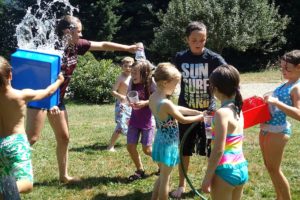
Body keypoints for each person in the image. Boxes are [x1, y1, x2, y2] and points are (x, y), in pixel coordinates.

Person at [25, 15, 139, 183]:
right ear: (67, 31)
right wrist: (49, 102)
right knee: (32, 138)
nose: (81, 34)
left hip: (58, 99)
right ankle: (8, 169)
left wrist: (127, 48)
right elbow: (38, 76)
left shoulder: (77, 45)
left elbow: (103, 45)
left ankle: (64, 176)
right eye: (78, 31)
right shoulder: (50, 48)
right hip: (42, 98)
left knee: (64, 138)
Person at [171, 21, 227, 198]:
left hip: (209, 113)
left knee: (212, 148)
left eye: (202, 39)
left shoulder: (214, 59)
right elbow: (168, 79)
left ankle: (209, 181)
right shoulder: (180, 58)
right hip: (186, 112)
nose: (198, 43)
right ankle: (181, 185)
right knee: (184, 149)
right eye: (194, 39)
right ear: (187, 39)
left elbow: (229, 75)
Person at [0, 56, 64, 197]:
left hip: (0, 144)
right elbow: (47, 92)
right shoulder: (20, 95)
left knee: (5, 180)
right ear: (10, 74)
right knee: (26, 183)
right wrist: (59, 81)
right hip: (16, 143)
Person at [149, 63, 203, 200]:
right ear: (165, 82)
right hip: (169, 144)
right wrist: (201, 117)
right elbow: (182, 119)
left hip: (160, 140)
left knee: (162, 176)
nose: (175, 88)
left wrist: (196, 112)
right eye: (174, 84)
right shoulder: (166, 103)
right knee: (166, 179)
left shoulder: (154, 97)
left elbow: (177, 108)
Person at [201, 64, 248, 200]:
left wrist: (207, 178)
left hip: (225, 171)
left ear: (214, 88)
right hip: (241, 167)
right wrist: (211, 129)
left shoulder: (222, 113)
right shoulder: (238, 109)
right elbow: (230, 139)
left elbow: (218, 150)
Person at [259, 50, 300, 200]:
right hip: (266, 128)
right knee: (270, 168)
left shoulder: (297, 87)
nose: (283, 71)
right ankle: (279, 197)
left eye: (287, 68)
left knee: (275, 169)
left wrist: (276, 102)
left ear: (299, 67)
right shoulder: (287, 82)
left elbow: (298, 114)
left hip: (278, 131)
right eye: (282, 67)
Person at [126, 60, 156, 181]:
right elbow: (128, 95)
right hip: (134, 121)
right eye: (131, 72)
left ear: (144, 73)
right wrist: (130, 102)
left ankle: (162, 166)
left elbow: (157, 98)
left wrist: (145, 102)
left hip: (148, 122)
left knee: (147, 149)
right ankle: (140, 169)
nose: (132, 75)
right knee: (130, 146)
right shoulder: (131, 82)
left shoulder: (150, 83)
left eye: (135, 73)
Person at [107, 56, 134, 152]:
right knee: (120, 124)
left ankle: (133, 142)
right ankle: (110, 146)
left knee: (132, 123)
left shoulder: (133, 76)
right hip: (122, 104)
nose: (127, 68)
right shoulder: (121, 77)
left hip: (131, 104)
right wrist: (120, 96)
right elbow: (113, 91)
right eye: (125, 66)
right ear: (121, 66)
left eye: (130, 66)